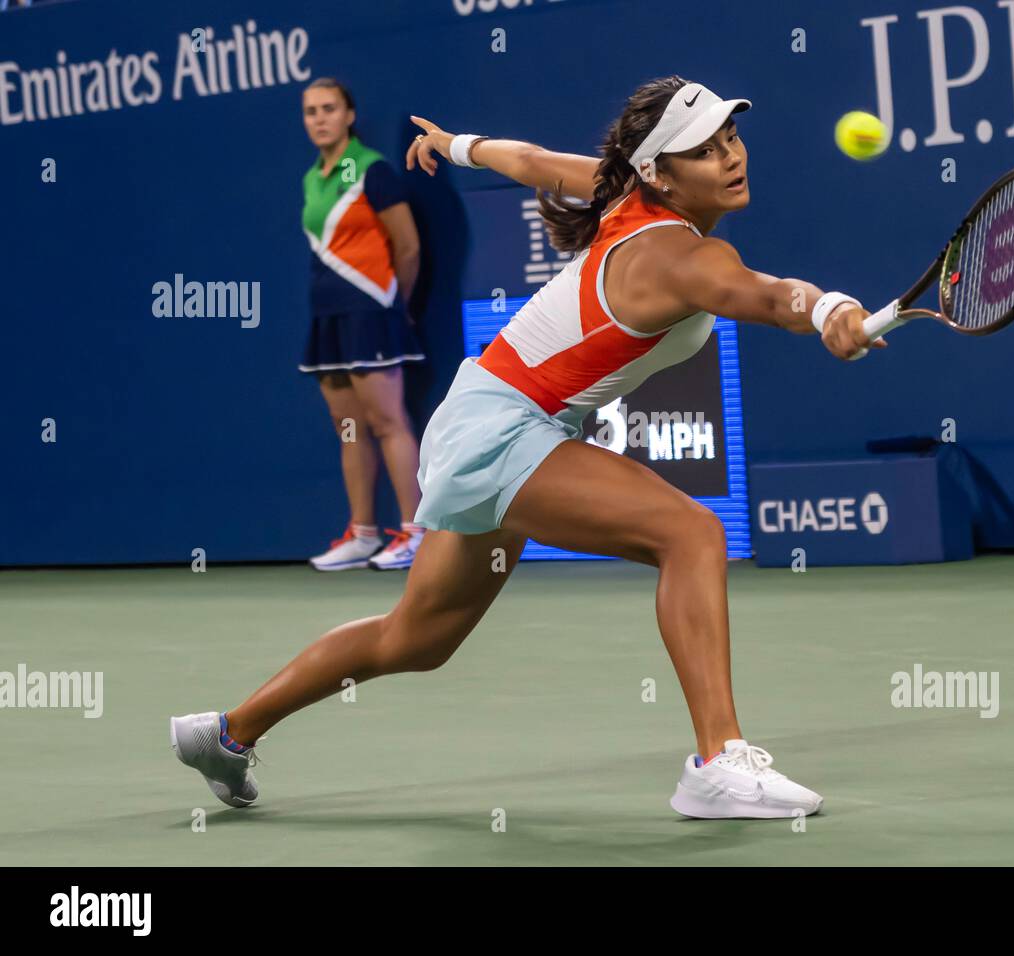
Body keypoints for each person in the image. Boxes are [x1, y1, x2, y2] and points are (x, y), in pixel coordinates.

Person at [171, 76, 884, 819]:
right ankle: (718, 762)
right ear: (660, 172)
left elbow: (533, 160)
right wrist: (830, 307)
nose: (731, 158)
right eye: (703, 151)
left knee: (416, 638)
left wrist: (454, 146)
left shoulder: (619, 191)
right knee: (693, 534)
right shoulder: (682, 257)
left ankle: (226, 733)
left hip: (485, 415)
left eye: (730, 139)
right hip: (504, 428)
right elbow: (772, 297)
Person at [299, 77, 427, 571]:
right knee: (349, 428)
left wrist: (398, 304)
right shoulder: (310, 178)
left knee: (387, 421)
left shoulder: (373, 171)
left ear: (349, 115)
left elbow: (408, 246)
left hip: (372, 313)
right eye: (311, 111)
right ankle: (363, 534)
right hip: (327, 316)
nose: (320, 119)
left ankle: (415, 532)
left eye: (329, 108)